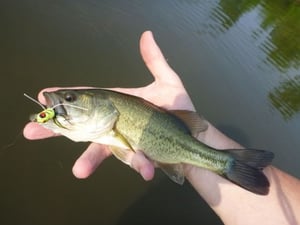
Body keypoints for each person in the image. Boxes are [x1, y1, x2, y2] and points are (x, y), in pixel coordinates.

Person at [23, 31, 300, 225]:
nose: (63, 102)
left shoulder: (112, 123)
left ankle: (224, 162)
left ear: (104, 106)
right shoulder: (105, 126)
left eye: (70, 99)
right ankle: (224, 161)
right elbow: (119, 145)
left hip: (177, 139)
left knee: (217, 161)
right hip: (168, 139)